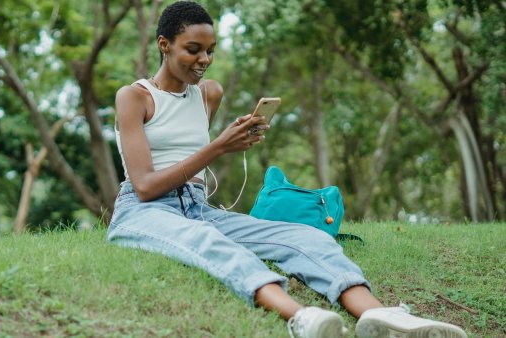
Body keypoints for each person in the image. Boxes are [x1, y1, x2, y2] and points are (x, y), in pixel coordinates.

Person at [108, 1, 467, 337]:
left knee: (305, 237)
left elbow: (191, 158)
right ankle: (300, 317)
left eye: (210, 50)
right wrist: (219, 146)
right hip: (145, 212)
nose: (204, 59)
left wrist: (232, 141)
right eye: (193, 49)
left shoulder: (208, 93)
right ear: (164, 44)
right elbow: (145, 186)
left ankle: (379, 315)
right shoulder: (134, 97)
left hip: (199, 208)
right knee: (209, 241)